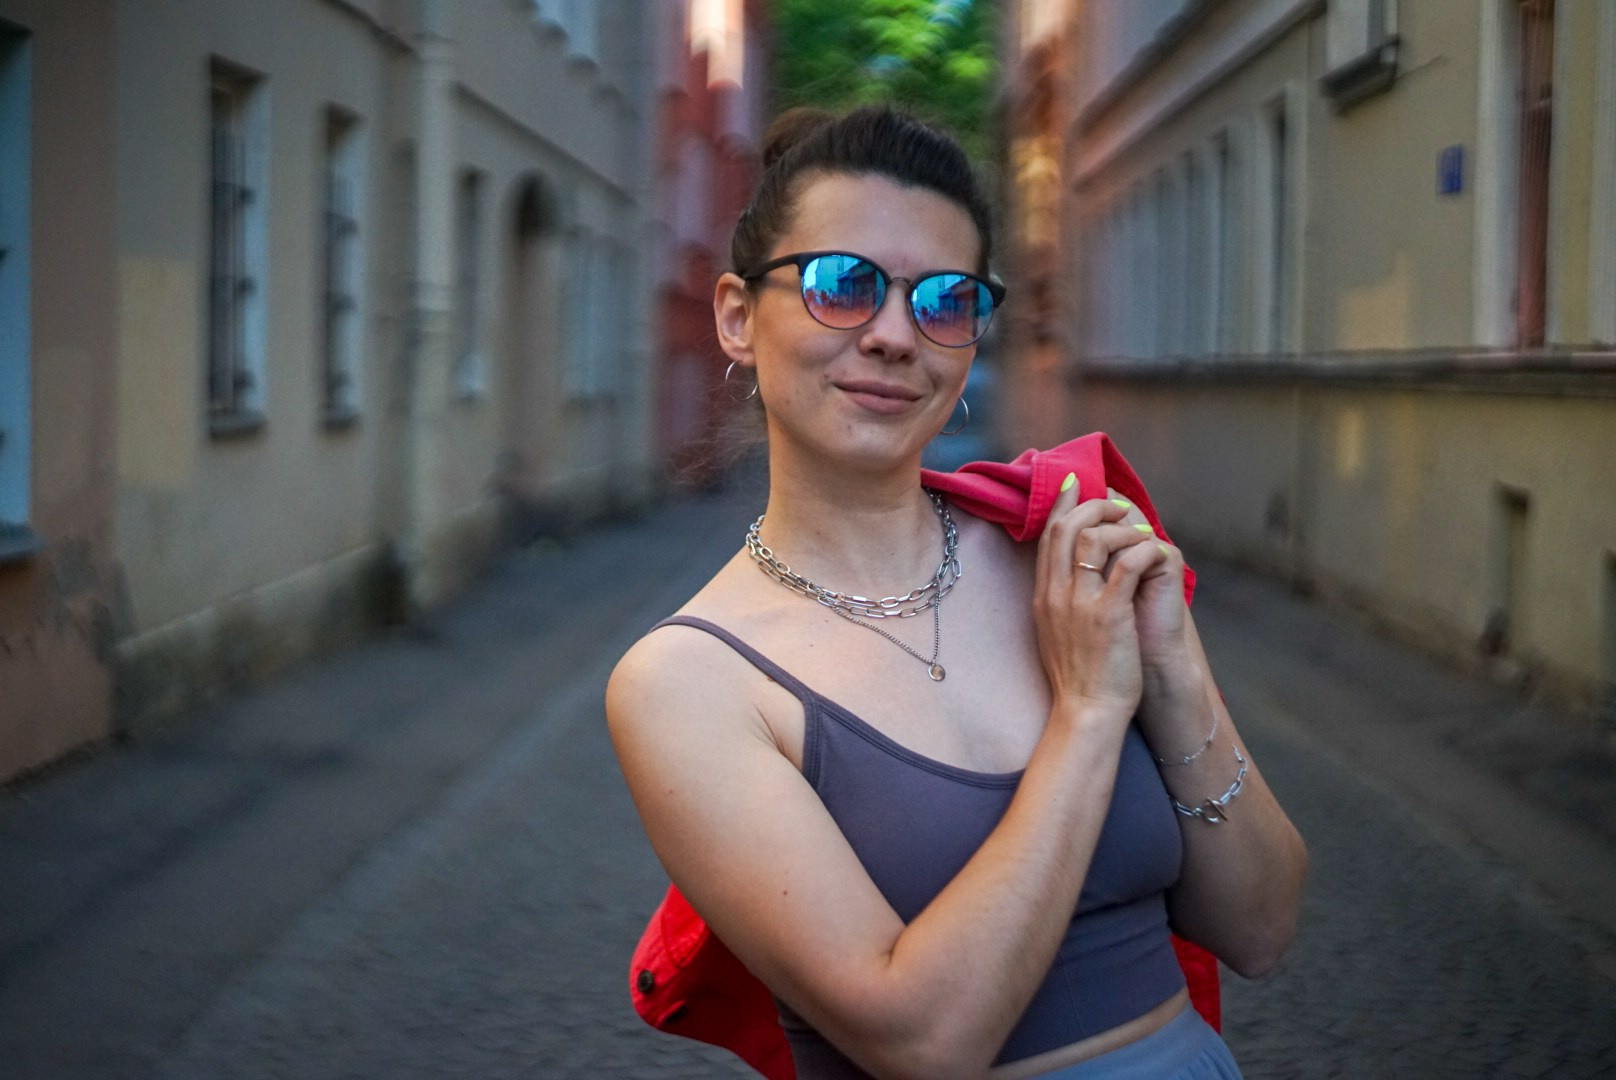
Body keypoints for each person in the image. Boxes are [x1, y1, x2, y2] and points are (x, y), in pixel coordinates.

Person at [608, 106, 1307, 1080]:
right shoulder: (685, 681)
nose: (897, 336)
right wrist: (1089, 715)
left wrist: (1175, 675)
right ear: (737, 316)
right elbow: (922, 1043)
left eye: (944, 300)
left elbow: (1262, 927)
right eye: (840, 284)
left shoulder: (1058, 555)